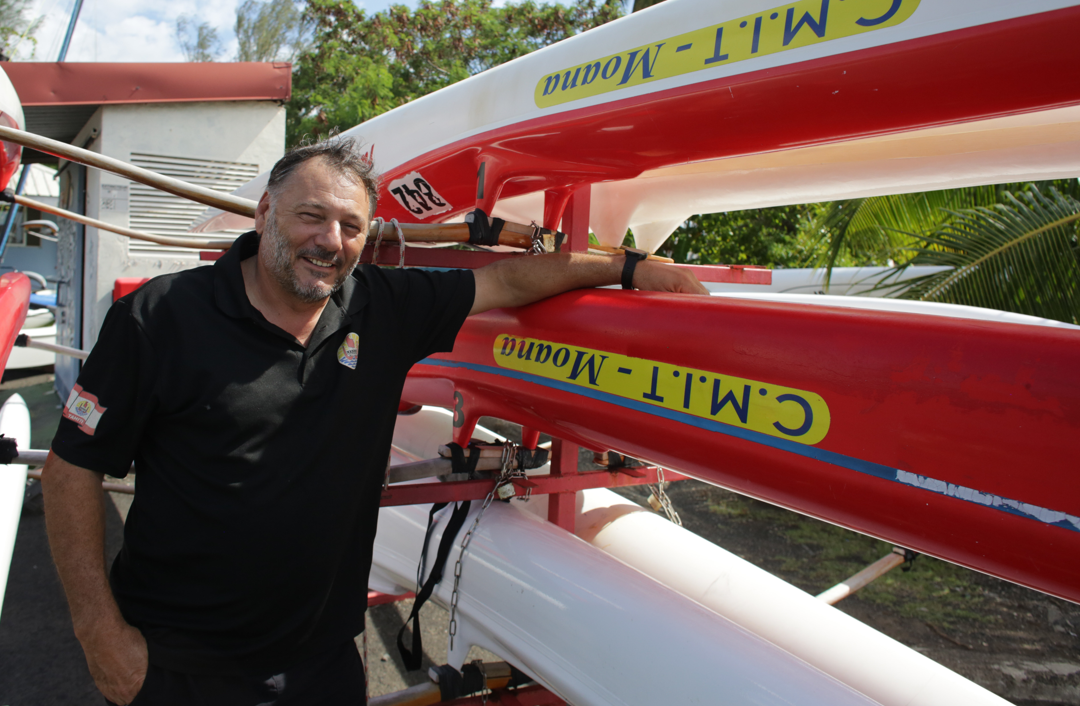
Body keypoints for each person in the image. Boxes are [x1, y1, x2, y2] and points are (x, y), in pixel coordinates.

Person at [42, 136, 708, 706]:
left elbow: (506, 282)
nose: (329, 242)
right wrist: (99, 635)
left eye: (350, 226)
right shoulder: (161, 318)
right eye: (311, 217)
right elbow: (70, 471)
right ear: (265, 210)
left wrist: (628, 266)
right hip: (178, 665)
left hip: (320, 665)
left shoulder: (381, 306)